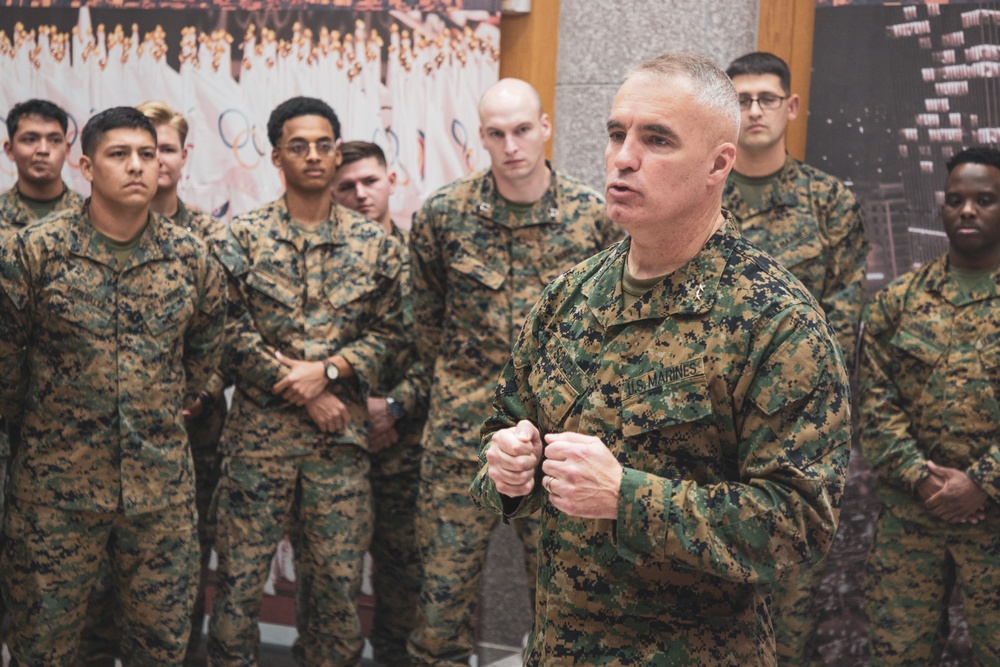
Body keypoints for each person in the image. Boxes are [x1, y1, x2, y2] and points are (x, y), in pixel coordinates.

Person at [470, 53, 851, 665]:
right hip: (560, 645)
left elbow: (799, 526)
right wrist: (507, 469)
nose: (624, 157)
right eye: (618, 133)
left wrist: (628, 497)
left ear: (718, 164)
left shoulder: (774, 318)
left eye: (657, 139)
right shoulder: (569, 296)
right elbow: (501, 431)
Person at [0, 106, 226, 665]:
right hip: (56, 494)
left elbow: (202, 359)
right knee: (42, 647)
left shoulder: (191, 256)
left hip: (159, 495)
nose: (137, 167)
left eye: (147, 155)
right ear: (86, 166)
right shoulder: (32, 252)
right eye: (119, 154)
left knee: (160, 648)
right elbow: (7, 367)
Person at [407, 77, 621, 666]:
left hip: (559, 445)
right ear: (482, 138)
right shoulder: (444, 216)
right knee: (439, 609)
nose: (512, 145)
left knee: (565, 610)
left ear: (545, 127)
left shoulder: (591, 219)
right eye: (497, 134)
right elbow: (423, 323)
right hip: (461, 440)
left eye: (523, 129)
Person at [208, 97, 405, 667]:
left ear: (337, 150)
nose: (314, 156)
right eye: (299, 146)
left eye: (324, 145)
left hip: (338, 452)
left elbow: (393, 334)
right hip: (256, 450)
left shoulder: (376, 247)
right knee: (239, 587)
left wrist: (331, 372)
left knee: (336, 597)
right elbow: (227, 331)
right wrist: (307, 388)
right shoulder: (241, 238)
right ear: (276, 156)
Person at [722, 51, 868, 663]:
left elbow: (841, 322)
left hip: (792, 435)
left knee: (791, 608)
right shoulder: (702, 194)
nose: (754, 110)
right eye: (741, 99)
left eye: (766, 98)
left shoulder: (829, 203)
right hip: (709, 429)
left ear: (791, 106)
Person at [860, 146, 1000, 665]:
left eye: (984, 200)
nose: (967, 210)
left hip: (996, 522)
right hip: (910, 522)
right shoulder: (898, 302)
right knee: (898, 655)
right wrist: (921, 477)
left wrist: (982, 481)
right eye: (955, 200)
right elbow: (874, 406)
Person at [331, 140, 427, 667]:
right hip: (333, 447)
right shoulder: (321, 264)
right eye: (346, 186)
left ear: (392, 181)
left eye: (370, 181)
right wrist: (355, 411)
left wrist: (393, 406)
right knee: (329, 590)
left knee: (404, 591)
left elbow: (441, 350)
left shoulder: (422, 258)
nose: (360, 194)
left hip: (405, 451)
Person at [0, 99, 85, 588]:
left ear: (69, 148)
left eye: (54, 140)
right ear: (10, 147)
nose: (43, 150)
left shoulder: (94, 218)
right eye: (31, 139)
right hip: (5, 410)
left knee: (60, 566)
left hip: (70, 422)